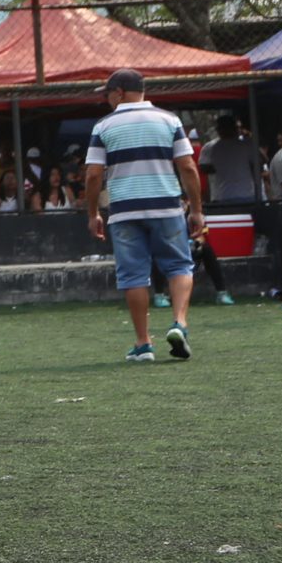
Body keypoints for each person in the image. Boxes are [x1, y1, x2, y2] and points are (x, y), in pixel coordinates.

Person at [84, 69, 207, 362]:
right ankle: (179, 323)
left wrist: (92, 213)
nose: (106, 100)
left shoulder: (104, 126)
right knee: (179, 266)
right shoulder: (169, 120)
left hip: (125, 210)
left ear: (119, 93)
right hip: (166, 206)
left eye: (107, 94)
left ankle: (143, 344)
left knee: (133, 275)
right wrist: (197, 209)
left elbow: (93, 174)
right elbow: (188, 167)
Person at [200, 114, 264, 205]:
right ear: (235, 129)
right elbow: (259, 165)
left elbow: (203, 168)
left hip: (223, 195)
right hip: (246, 194)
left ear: (218, 130)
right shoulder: (246, 145)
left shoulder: (213, 148)